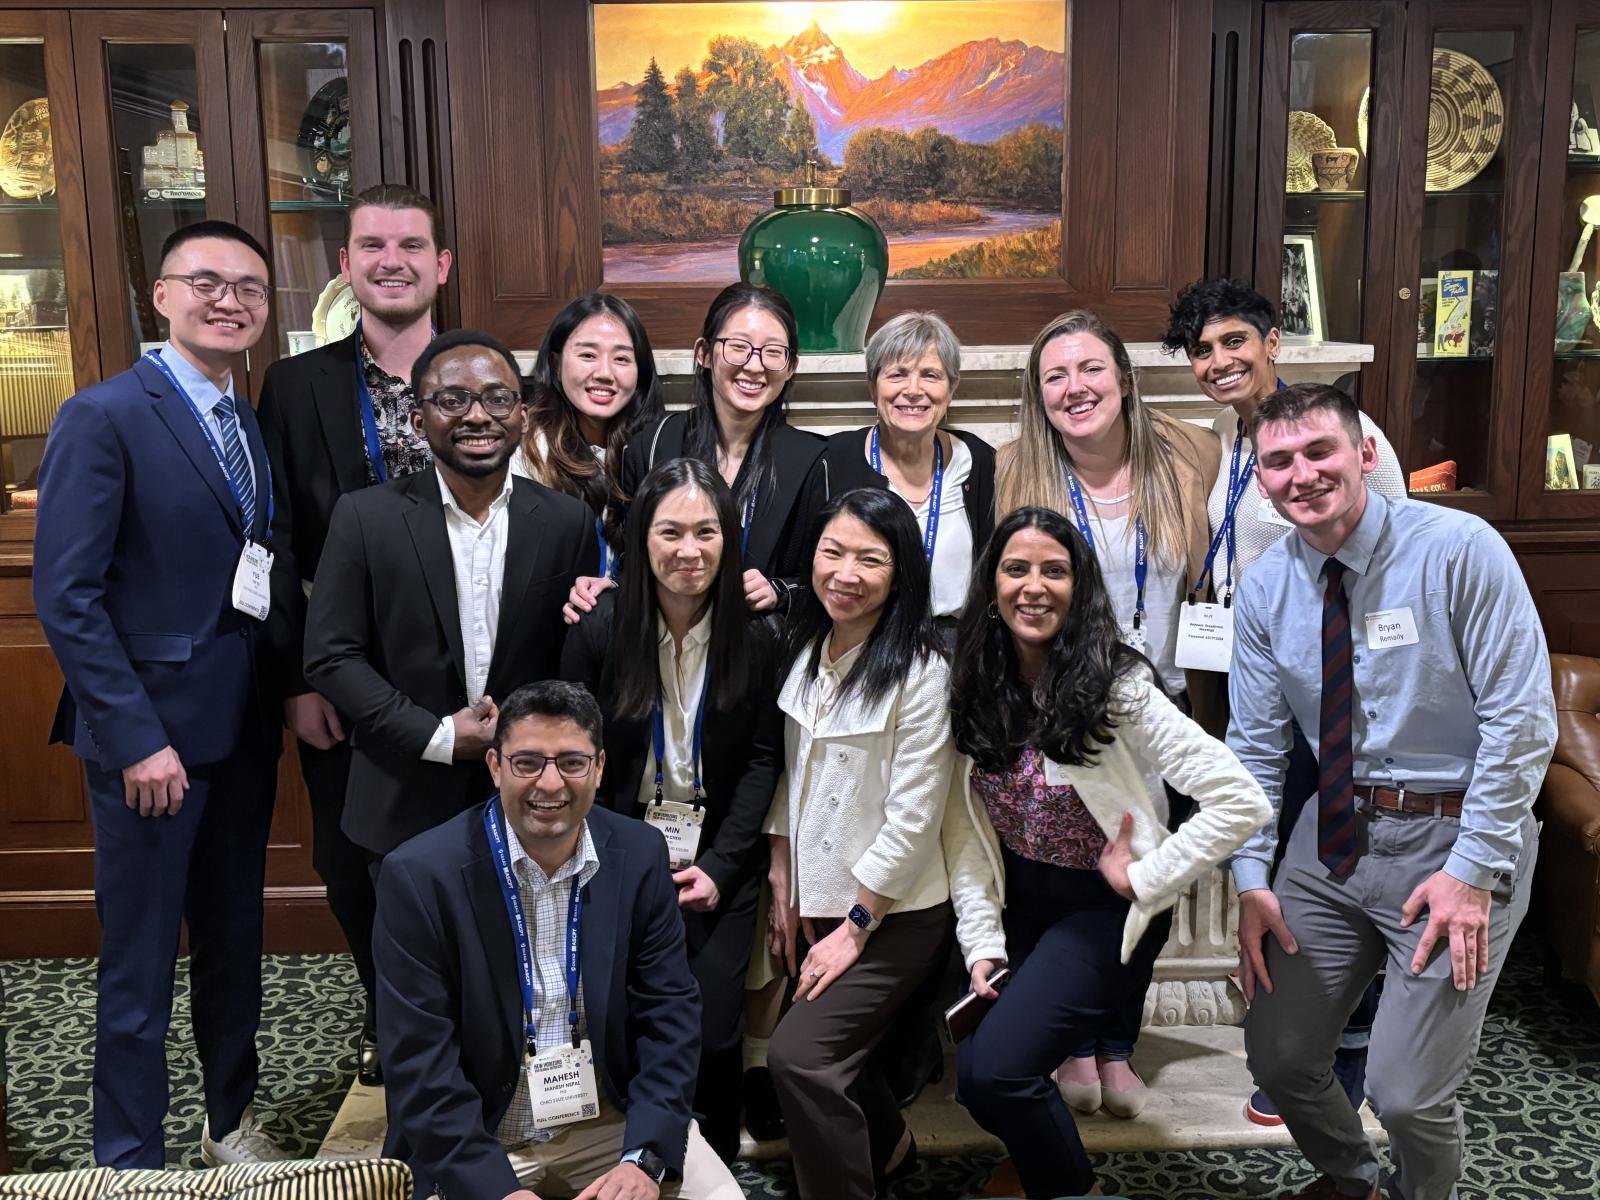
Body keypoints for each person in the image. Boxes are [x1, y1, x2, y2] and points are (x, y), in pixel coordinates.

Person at [1229, 384, 1554, 1200]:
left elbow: (1523, 723)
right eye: (1278, 462)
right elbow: (1257, 750)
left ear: (1364, 456)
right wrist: (1250, 879)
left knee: (1406, 1097)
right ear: (1260, 480)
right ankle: (1351, 1178)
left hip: (1456, 840)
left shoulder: (1459, 549)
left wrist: (1475, 872)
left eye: (1319, 452)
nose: (1300, 474)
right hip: (1332, 838)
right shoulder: (1266, 587)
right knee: (1280, 1056)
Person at [33, 220, 287, 1167]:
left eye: (251, 289)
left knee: (234, 943)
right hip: (147, 749)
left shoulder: (243, 415)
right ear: (164, 296)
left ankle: (231, 1125)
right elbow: (66, 594)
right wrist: (136, 738)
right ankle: (126, 1153)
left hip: (240, 731)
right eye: (208, 282)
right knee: (138, 962)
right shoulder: (104, 415)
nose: (230, 301)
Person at [942, 506, 1270, 1198]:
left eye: (1054, 571)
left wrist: (1151, 874)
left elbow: (1242, 800)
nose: (1034, 586)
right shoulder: (974, 683)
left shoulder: (1119, 687)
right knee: (977, 1077)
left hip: (1104, 911)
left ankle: (1067, 1186)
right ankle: (1039, 1165)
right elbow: (964, 833)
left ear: (1079, 586)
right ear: (991, 587)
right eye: (1017, 569)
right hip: (1018, 905)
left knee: (999, 1071)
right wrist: (980, 942)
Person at [1163, 277, 1408, 1125]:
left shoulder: (1346, 437)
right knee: (1274, 868)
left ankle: (1347, 1055)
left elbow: (1390, 571)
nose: (1219, 361)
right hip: (1251, 685)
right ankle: (1297, 1040)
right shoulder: (1234, 445)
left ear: (1274, 341)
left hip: (1332, 699)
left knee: (1333, 878)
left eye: (1235, 341)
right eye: (1202, 350)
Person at [373, 680, 743, 1200]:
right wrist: (493, 1189)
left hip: (608, 1126)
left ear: (599, 768)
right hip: (478, 1138)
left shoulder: (639, 855)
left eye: (571, 762)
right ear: (495, 767)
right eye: (527, 763)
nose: (550, 784)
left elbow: (670, 1016)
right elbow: (418, 1061)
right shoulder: (419, 876)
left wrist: (644, 1160)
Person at [995, 308, 1221, 1115]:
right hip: (1064, 714)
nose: (1074, 387)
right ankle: (1070, 1039)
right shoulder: (1015, 469)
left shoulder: (1194, 451)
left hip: (1165, 712)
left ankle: (1116, 1041)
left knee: (1149, 884)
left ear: (1123, 377)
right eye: (1054, 375)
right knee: (1065, 888)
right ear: (1038, 393)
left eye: (1090, 369)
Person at [258, 182, 452, 1086]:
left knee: (475, 858)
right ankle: (389, 1017)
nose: (392, 260)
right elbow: (277, 540)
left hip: (471, 674)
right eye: (372, 245)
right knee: (352, 862)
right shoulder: (296, 387)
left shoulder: (484, 376)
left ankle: (473, 1016)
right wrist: (299, 679)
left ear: (440, 265)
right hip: (343, 676)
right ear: (346, 266)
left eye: (410, 244)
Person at [560, 457, 783, 1161]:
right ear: (638, 540)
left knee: (714, 1030)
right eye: (669, 532)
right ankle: (641, 1157)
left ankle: (707, 1162)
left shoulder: (758, 635)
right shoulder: (598, 627)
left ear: (729, 540)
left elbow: (761, 762)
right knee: (629, 1016)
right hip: (620, 849)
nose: (689, 551)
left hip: (721, 856)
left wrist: (719, 866)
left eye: (707, 533)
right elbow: (575, 754)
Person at [303, 329, 596, 862]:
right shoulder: (366, 518)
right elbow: (331, 656)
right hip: (401, 793)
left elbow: (572, 654)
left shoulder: (566, 522)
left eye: (497, 398)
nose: (478, 416)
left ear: (522, 414)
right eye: (452, 400)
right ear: (420, 420)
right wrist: (436, 734)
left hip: (532, 796)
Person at [763, 487, 957, 1200]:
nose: (845, 572)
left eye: (869, 559)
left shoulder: (922, 669)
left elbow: (915, 815)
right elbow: (794, 772)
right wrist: (784, 875)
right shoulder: (806, 649)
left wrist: (856, 925)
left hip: (893, 914)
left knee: (801, 1059)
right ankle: (891, 1148)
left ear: (901, 573)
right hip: (819, 894)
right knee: (835, 1054)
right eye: (832, 552)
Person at [565, 281, 824, 621]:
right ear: (703, 353)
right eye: (738, 347)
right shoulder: (652, 443)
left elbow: (825, 578)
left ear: (790, 367)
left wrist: (778, 591)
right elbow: (630, 558)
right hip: (661, 644)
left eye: (773, 352)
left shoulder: (812, 460)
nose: (755, 366)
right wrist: (601, 586)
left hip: (762, 653)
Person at [798, 310, 995, 637]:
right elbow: (806, 572)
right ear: (872, 387)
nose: (914, 389)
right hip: (862, 642)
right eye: (897, 374)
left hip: (958, 648)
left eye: (931, 375)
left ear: (952, 389)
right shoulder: (833, 461)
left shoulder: (978, 460)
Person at [511, 292, 665, 576]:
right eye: (587, 355)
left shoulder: (659, 446)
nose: (604, 373)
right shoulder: (526, 452)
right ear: (556, 365)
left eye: (621, 359)